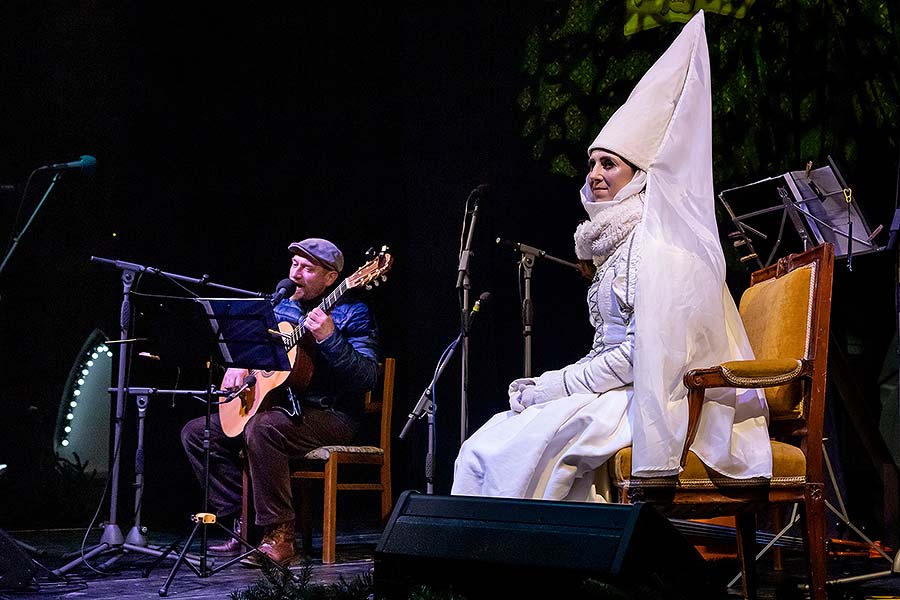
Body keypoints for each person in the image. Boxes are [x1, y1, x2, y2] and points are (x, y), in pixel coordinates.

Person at [451, 10, 772, 501]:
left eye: (609, 164)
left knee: (512, 449)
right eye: (592, 164)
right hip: (620, 391)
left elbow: (642, 353)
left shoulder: (655, 246)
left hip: (658, 400)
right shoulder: (615, 245)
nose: (595, 174)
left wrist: (556, 385)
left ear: (640, 176)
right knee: (491, 440)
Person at [181, 238, 379, 565]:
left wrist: (330, 339)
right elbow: (253, 349)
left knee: (263, 429)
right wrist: (238, 363)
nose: (296, 274)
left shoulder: (354, 313)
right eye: (294, 265)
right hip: (279, 407)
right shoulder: (281, 306)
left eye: (308, 268)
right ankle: (241, 520)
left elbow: (367, 377)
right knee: (197, 433)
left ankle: (281, 536)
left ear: (332, 278)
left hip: (330, 415)